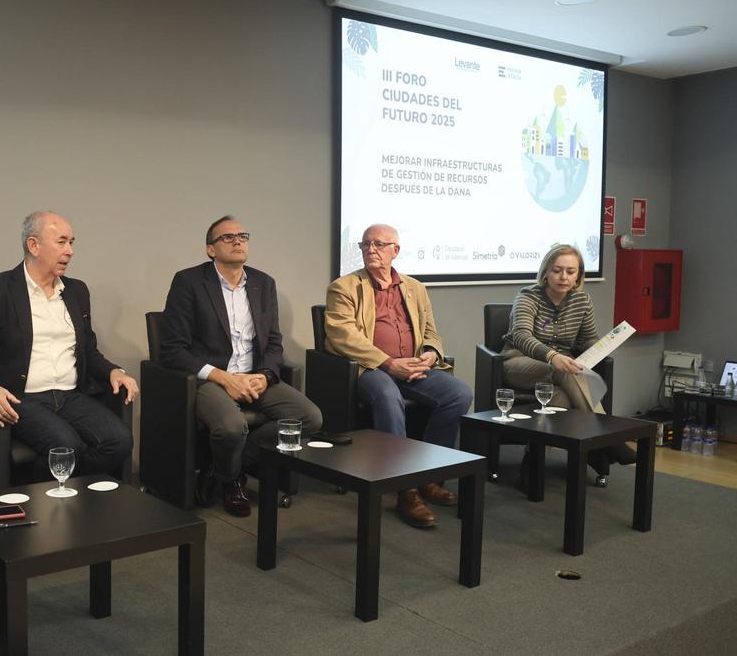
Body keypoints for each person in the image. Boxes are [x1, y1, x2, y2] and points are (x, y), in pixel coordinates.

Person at [159, 216, 322, 517]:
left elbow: (274, 342)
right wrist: (222, 377)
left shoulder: (263, 283)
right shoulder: (189, 282)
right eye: (228, 237)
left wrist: (265, 375)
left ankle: (226, 465)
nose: (237, 241)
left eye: (242, 236)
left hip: (255, 377)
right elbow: (172, 350)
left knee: (309, 418)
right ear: (210, 249)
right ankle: (233, 480)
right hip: (211, 380)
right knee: (232, 427)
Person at [0, 211, 137, 481]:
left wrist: (115, 371)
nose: (70, 251)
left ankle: (60, 493)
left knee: (120, 441)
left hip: (70, 396)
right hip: (23, 399)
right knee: (67, 447)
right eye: (62, 242)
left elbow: (88, 351)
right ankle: (39, 502)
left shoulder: (77, 291)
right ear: (33, 245)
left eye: (72, 242)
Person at [325, 223, 473, 528]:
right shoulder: (344, 287)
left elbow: (431, 331)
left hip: (413, 366)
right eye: (365, 245)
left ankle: (429, 475)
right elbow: (342, 336)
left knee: (460, 394)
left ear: (396, 250)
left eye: (379, 244)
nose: (371, 250)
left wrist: (430, 354)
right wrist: (388, 363)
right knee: (388, 396)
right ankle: (405, 488)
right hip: (371, 368)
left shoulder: (414, 288)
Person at [501, 244, 634, 486]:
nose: (564, 277)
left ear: (579, 276)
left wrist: (600, 347)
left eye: (571, 272)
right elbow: (521, 335)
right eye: (557, 270)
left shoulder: (582, 300)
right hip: (519, 363)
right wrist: (552, 356)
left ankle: (534, 457)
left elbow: (587, 340)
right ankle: (608, 438)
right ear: (546, 273)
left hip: (561, 371)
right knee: (562, 369)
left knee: (559, 397)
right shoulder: (528, 296)